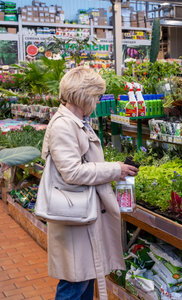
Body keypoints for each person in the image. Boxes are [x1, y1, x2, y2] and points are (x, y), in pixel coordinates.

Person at [40, 67, 138, 300]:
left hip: (81, 213)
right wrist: (116, 169)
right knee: (75, 281)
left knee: (82, 278)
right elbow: (72, 172)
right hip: (75, 215)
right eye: (95, 97)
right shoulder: (64, 125)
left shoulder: (75, 121)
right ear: (83, 95)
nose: (96, 102)